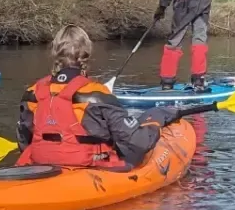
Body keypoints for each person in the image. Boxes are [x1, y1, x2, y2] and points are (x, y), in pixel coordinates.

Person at [18, 25, 167, 170]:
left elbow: (24, 141)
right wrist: (155, 125)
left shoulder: (32, 93)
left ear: (55, 53)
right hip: (87, 165)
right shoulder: (97, 94)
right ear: (86, 54)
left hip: (41, 163)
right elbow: (136, 142)